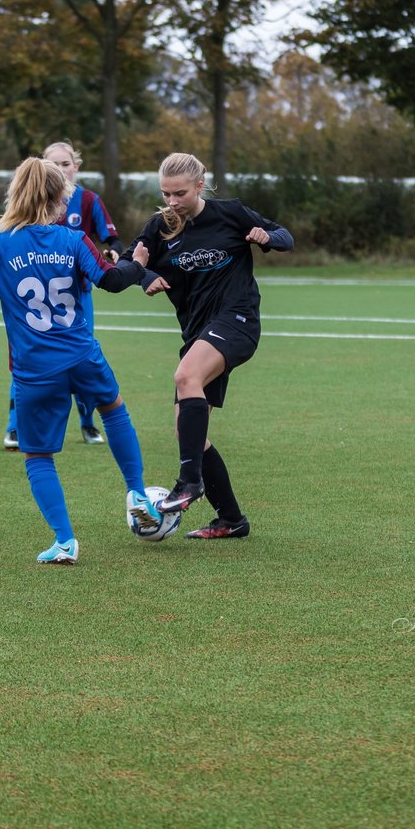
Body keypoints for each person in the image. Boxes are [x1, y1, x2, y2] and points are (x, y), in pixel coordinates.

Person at [0, 156, 161, 564]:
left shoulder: (1, 241)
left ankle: (65, 541)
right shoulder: (71, 240)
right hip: (81, 354)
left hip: (34, 367)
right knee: (113, 410)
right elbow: (112, 281)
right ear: (58, 197)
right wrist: (137, 265)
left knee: (38, 456)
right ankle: (136, 490)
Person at [123, 152, 293, 539]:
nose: (172, 202)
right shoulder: (159, 226)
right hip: (198, 332)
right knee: (189, 431)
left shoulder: (230, 213)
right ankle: (231, 520)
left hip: (237, 319)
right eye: (165, 194)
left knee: (186, 376)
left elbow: (286, 236)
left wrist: (267, 237)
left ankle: (189, 482)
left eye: (179, 193)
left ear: (200, 186)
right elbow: (128, 262)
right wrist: (144, 274)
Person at [2, 140, 123, 451]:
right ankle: (15, 428)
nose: (60, 168)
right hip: (32, 300)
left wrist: (112, 253)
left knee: (81, 358)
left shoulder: (88, 201)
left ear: (76, 166)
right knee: (24, 358)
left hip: (77, 297)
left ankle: (88, 423)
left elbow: (112, 239)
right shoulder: (30, 199)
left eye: (65, 163)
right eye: (53, 164)